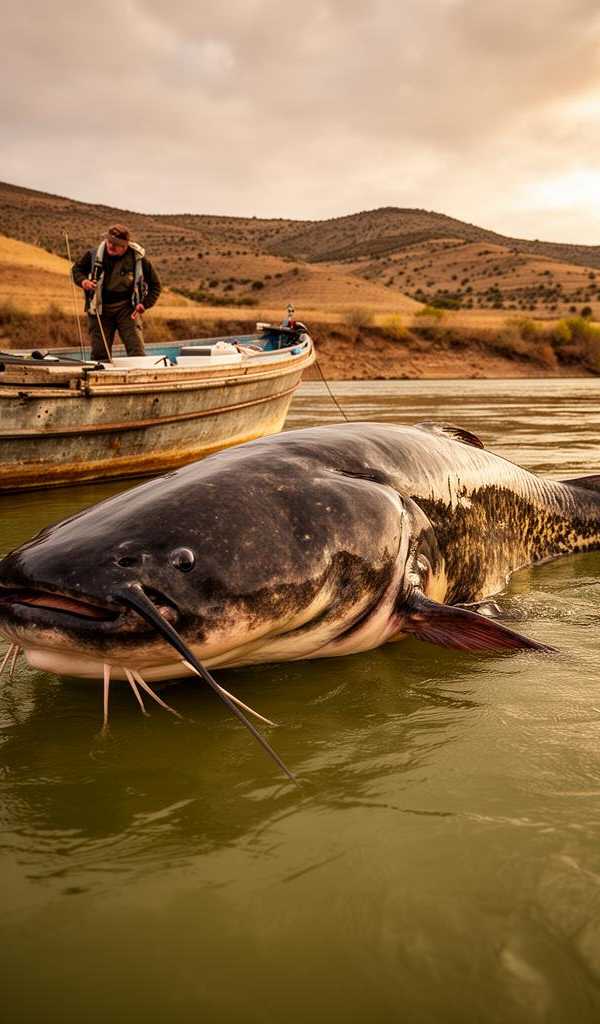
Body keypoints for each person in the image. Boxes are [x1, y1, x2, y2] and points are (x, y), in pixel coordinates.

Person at [72, 224, 162, 360]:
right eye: (109, 241)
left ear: (125, 246)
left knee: (136, 350)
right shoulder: (93, 254)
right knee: (99, 354)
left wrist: (144, 304)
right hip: (99, 308)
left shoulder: (138, 259)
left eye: (116, 244)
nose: (110, 246)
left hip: (127, 309)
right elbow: (76, 270)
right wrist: (84, 282)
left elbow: (156, 285)